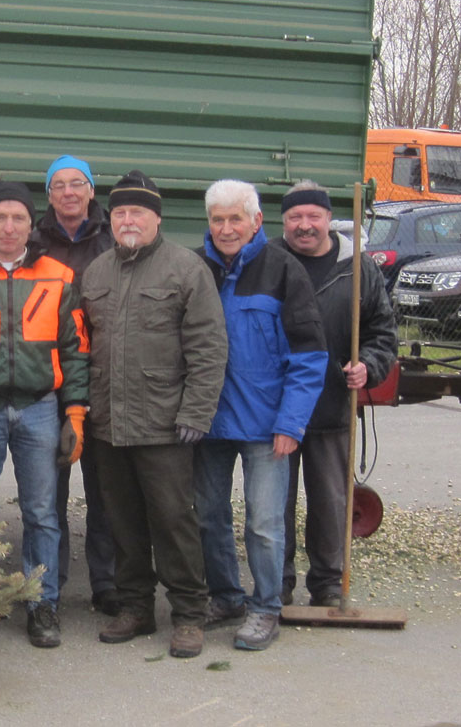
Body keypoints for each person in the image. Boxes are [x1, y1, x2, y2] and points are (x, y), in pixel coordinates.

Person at [81, 170, 226, 660]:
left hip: (165, 424)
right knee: (121, 521)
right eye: (119, 212)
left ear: (156, 218)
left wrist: (196, 412)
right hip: (107, 422)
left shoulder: (186, 269)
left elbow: (208, 348)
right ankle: (136, 607)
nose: (127, 220)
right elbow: (83, 346)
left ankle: (188, 613)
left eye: (136, 212)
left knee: (173, 521)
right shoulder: (97, 271)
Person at [0, 179, 88, 648]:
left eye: (19, 218)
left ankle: (41, 602)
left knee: (43, 513)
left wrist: (75, 414)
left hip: (39, 408)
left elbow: (75, 350)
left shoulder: (59, 276)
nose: (9, 227)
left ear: (32, 225)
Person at [196, 179, 326, 652]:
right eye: (218, 219)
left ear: (256, 222)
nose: (226, 229)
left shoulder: (283, 270)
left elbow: (310, 356)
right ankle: (226, 596)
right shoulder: (196, 268)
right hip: (207, 422)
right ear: (208, 222)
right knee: (208, 516)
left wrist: (291, 423)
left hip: (267, 425)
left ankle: (266, 606)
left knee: (265, 523)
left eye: (236, 218)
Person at [277, 181, 396, 606]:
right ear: (283, 221)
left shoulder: (358, 267)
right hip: (277, 409)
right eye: (295, 217)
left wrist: (369, 364)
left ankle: (327, 584)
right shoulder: (269, 261)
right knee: (275, 504)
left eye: (313, 216)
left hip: (333, 405)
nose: (304, 226)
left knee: (330, 503)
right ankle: (278, 582)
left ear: (329, 219)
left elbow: (383, 333)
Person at [29, 155, 119, 616]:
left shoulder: (111, 239)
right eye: (58, 185)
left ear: (90, 191)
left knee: (103, 490)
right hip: (50, 377)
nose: (67, 192)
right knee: (51, 490)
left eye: (76, 183)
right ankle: (52, 583)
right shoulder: (33, 242)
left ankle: (105, 582)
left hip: (102, 374)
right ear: (48, 195)